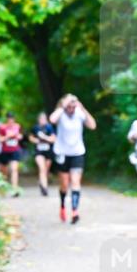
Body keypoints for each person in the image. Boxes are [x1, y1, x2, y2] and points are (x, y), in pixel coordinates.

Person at [49, 94, 96, 224]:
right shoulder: (60, 114)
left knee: (75, 182)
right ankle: (63, 205)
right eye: (69, 105)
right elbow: (52, 119)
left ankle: (75, 211)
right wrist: (63, 106)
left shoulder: (79, 113)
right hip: (62, 153)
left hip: (77, 152)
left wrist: (83, 108)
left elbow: (92, 126)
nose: (71, 108)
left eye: (73, 105)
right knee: (64, 184)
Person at [29, 112, 57, 196]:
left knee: (46, 170)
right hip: (39, 151)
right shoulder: (35, 128)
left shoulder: (49, 127)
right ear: (38, 119)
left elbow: (54, 139)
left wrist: (45, 138)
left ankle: (42, 183)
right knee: (42, 168)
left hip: (48, 151)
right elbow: (30, 137)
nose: (42, 120)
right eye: (41, 119)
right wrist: (35, 140)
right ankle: (45, 188)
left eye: (44, 119)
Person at [0, 112, 23, 196]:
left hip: (15, 150)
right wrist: (7, 136)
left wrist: (18, 136)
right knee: (4, 172)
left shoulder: (17, 126)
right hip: (5, 151)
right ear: (7, 119)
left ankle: (14, 189)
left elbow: (20, 136)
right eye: (9, 118)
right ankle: (3, 189)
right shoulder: (2, 127)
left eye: (12, 118)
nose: (11, 120)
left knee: (14, 169)